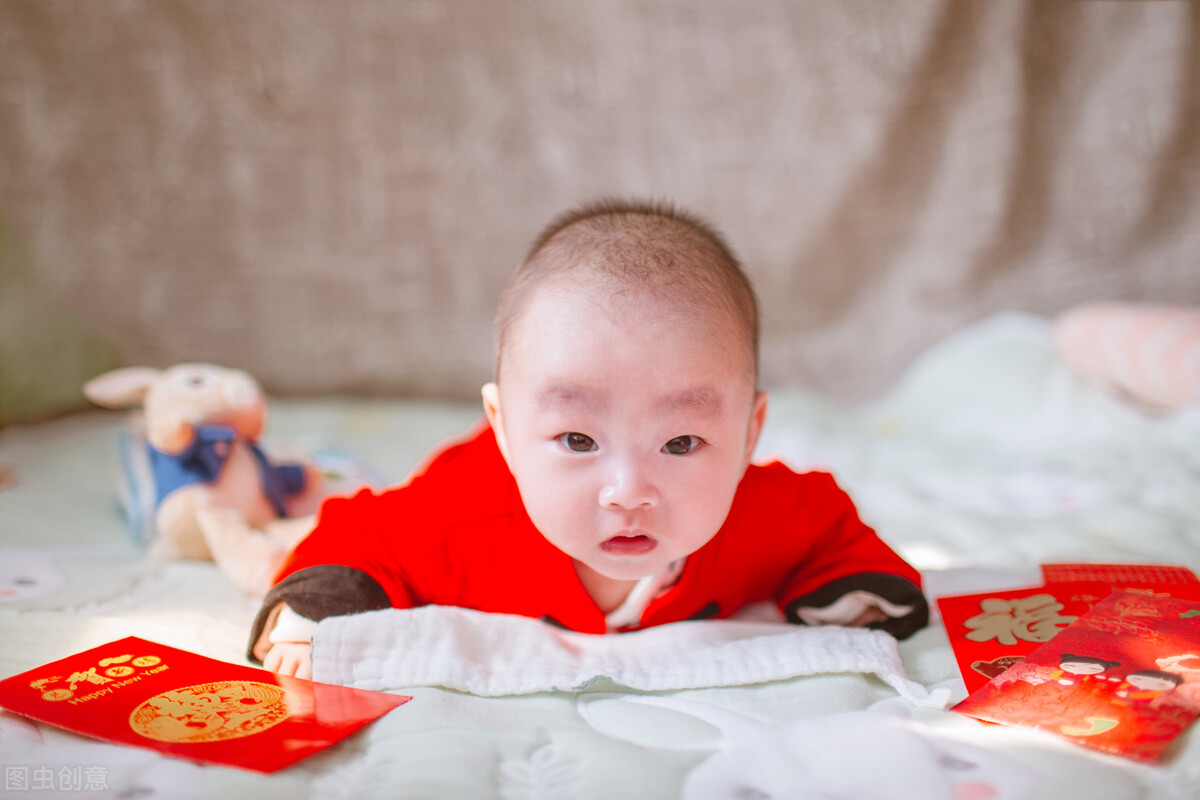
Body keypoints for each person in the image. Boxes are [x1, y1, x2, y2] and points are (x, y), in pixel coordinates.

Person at [250, 198, 928, 678]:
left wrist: (854, 596)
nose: (629, 492)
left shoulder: (762, 512)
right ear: (507, 431)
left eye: (682, 443)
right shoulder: (459, 521)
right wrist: (310, 615)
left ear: (749, 434)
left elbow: (831, 529)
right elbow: (359, 536)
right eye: (577, 440)